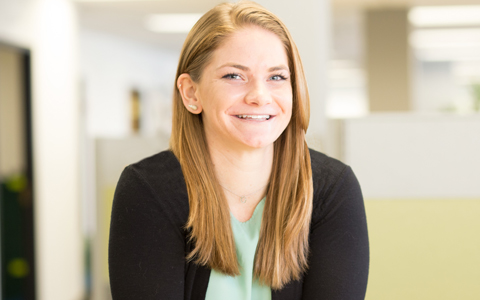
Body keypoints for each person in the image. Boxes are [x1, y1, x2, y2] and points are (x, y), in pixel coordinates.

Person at [108, 1, 369, 299]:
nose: (259, 95)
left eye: (277, 77)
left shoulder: (330, 188)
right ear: (191, 93)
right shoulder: (148, 190)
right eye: (234, 75)